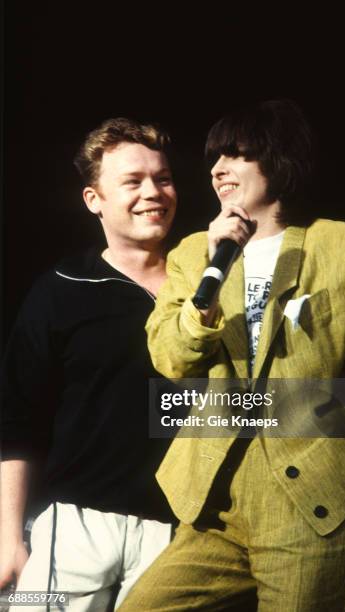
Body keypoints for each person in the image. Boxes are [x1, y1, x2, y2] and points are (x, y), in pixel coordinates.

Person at [119, 100, 345, 611]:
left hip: (312, 501)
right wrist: (211, 278)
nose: (217, 170)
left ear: (279, 159)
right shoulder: (191, 253)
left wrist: (338, 448)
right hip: (213, 498)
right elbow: (170, 358)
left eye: (234, 154)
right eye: (213, 160)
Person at [0, 117, 177, 611]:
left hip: (179, 533)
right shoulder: (59, 290)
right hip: (73, 529)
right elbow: (17, 422)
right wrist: (7, 537)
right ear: (93, 200)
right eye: (132, 181)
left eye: (163, 178)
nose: (154, 193)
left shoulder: (208, 283)